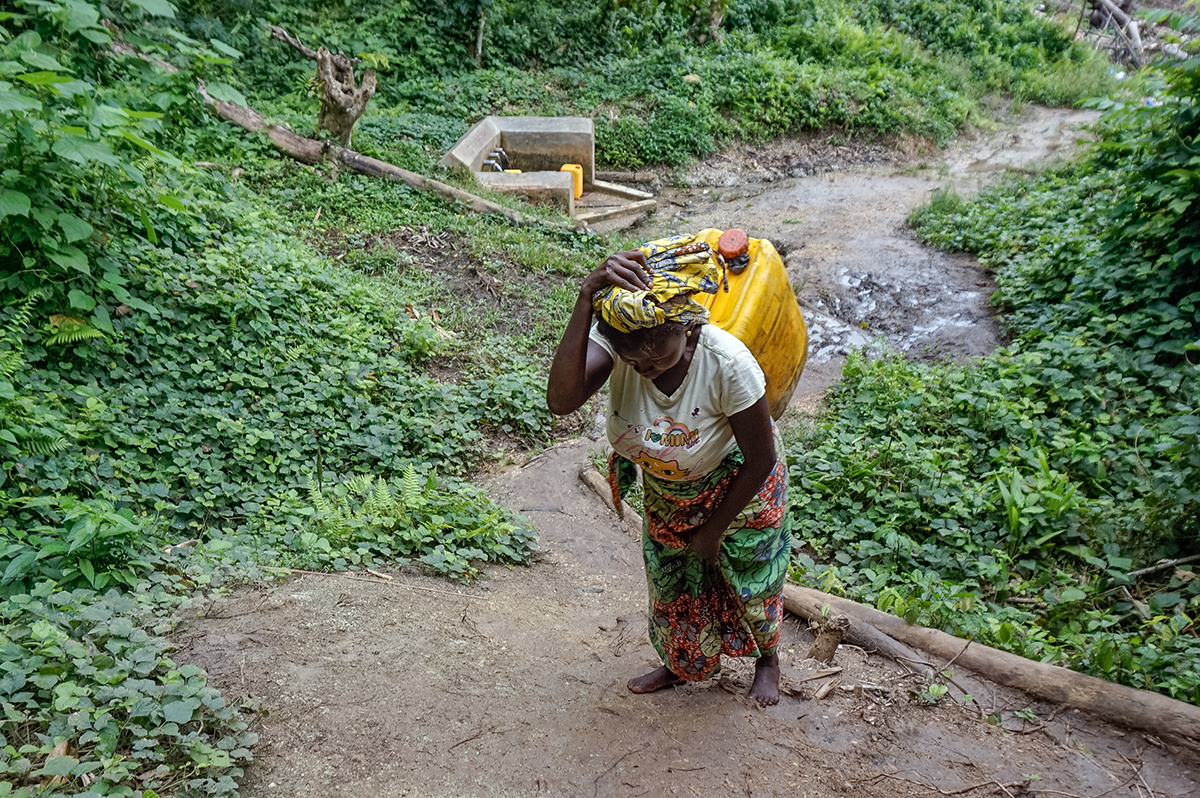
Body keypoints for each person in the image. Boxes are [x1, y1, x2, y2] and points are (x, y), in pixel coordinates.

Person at [546, 236, 792, 707]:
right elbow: (561, 402)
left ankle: (768, 660)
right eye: (633, 361)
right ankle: (681, 664)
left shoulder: (727, 363)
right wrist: (584, 298)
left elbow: (760, 459)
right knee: (670, 584)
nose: (645, 371)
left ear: (688, 326)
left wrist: (713, 530)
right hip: (669, 489)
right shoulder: (625, 346)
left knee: (751, 577)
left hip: (742, 484)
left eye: (658, 358)